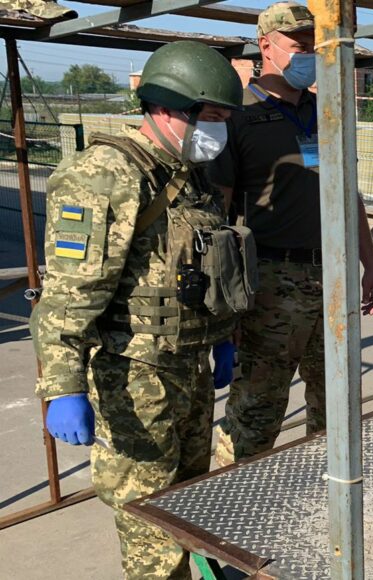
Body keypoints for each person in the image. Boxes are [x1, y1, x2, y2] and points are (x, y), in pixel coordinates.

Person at [31, 41, 244, 578]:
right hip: (135, 376)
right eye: (211, 117)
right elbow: (66, 298)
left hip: (188, 367)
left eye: (222, 119)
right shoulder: (105, 176)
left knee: (189, 502)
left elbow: (202, 267)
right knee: (149, 521)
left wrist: (219, 336)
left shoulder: (188, 173)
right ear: (169, 106)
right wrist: (64, 387)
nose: (217, 131)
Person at [209, 1, 373, 465]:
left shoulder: (326, 110)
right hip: (269, 283)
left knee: (336, 404)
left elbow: (349, 195)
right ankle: (235, 504)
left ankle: (325, 502)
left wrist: (371, 265)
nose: (310, 55)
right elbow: (218, 217)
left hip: (332, 276)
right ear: (266, 46)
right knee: (257, 411)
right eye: (300, 46)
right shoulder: (236, 117)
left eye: (316, 46)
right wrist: (226, 313)